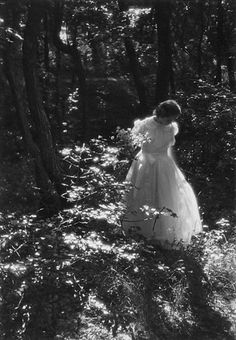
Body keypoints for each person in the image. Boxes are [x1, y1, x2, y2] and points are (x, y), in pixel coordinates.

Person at [122, 99, 202, 247]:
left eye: (173, 119)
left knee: (166, 195)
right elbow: (133, 142)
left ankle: (163, 234)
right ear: (161, 113)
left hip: (164, 164)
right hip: (145, 164)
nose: (171, 121)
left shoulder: (172, 127)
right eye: (169, 118)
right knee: (143, 194)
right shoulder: (145, 125)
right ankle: (141, 232)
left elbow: (168, 148)